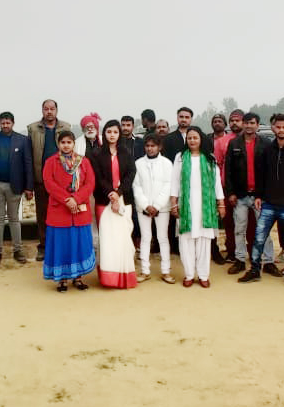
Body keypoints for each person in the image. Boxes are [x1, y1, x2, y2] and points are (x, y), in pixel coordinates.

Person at [242, 114, 284, 287]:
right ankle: (255, 270)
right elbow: (261, 175)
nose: (281, 130)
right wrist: (258, 195)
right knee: (259, 238)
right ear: (273, 128)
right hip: (269, 204)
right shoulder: (267, 150)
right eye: (278, 127)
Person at [170, 127, 226, 288]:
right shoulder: (180, 157)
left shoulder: (209, 158)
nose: (192, 140)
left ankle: (203, 275)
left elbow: (217, 183)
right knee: (186, 241)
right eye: (189, 138)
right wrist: (174, 203)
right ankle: (189, 274)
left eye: (195, 137)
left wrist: (221, 203)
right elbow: (174, 182)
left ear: (201, 139)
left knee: (204, 241)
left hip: (205, 206)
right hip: (186, 205)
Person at [42, 130, 97, 292]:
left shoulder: (84, 162)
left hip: (79, 211)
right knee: (62, 246)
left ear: (74, 143)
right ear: (58, 144)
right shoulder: (51, 162)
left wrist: (77, 199)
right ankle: (62, 279)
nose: (66, 145)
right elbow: (49, 183)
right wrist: (67, 199)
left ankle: (78, 278)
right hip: (60, 211)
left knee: (78, 245)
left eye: (69, 142)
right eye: (63, 142)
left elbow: (90, 183)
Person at [225, 113, 273, 277]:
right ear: (243, 124)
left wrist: (264, 194)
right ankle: (239, 260)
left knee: (264, 230)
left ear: (258, 125)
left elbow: (269, 171)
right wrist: (230, 192)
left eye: (252, 123)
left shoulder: (266, 143)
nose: (249, 126)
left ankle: (268, 261)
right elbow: (228, 170)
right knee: (239, 229)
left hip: (260, 196)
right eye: (246, 123)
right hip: (240, 195)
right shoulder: (234, 143)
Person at [0, 112, 34, 267]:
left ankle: (17, 250)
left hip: (15, 186)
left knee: (14, 219)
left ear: (13, 123)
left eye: (8, 123)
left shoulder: (23, 140)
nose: (5, 125)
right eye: (2, 123)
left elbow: (28, 164)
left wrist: (29, 186)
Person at [92, 120, 137, 288]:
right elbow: (98, 177)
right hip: (104, 201)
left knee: (123, 239)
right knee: (107, 240)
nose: (112, 135)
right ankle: (108, 279)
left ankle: (124, 277)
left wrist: (118, 193)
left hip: (124, 199)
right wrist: (111, 194)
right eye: (109, 131)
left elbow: (131, 173)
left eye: (115, 132)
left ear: (119, 134)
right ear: (104, 133)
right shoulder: (96, 154)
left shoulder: (126, 152)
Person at [29, 99, 72, 262]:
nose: (49, 112)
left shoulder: (65, 127)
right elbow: (29, 156)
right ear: (42, 110)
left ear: (56, 110)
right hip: (41, 180)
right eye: (46, 109)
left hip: (62, 181)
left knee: (62, 214)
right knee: (43, 215)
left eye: (52, 109)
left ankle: (62, 247)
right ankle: (43, 247)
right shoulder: (33, 129)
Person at [133, 134, 174, 283]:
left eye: (153, 146)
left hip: (161, 208)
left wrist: (156, 205)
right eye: (147, 146)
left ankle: (166, 271)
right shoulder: (138, 163)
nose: (150, 149)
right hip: (143, 207)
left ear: (159, 147)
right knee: (145, 238)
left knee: (162, 238)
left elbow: (168, 185)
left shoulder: (167, 163)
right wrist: (146, 205)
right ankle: (145, 271)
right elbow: (136, 186)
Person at [211, 112, 237, 264]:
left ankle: (239, 250)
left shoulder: (232, 140)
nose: (217, 123)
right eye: (215, 121)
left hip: (240, 188)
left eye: (220, 121)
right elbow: (217, 164)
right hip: (222, 186)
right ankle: (226, 249)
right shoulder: (208, 140)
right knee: (226, 221)